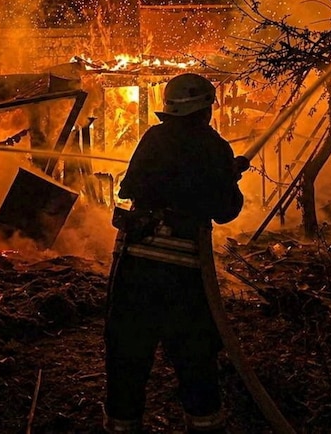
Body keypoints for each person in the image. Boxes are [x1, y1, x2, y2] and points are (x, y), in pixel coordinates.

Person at [103, 73, 247, 433]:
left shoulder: (153, 138)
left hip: (135, 265)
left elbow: (130, 186)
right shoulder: (214, 147)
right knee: (195, 357)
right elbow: (225, 209)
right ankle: (203, 424)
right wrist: (224, 178)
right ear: (205, 109)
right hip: (184, 275)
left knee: (127, 354)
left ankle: (122, 425)